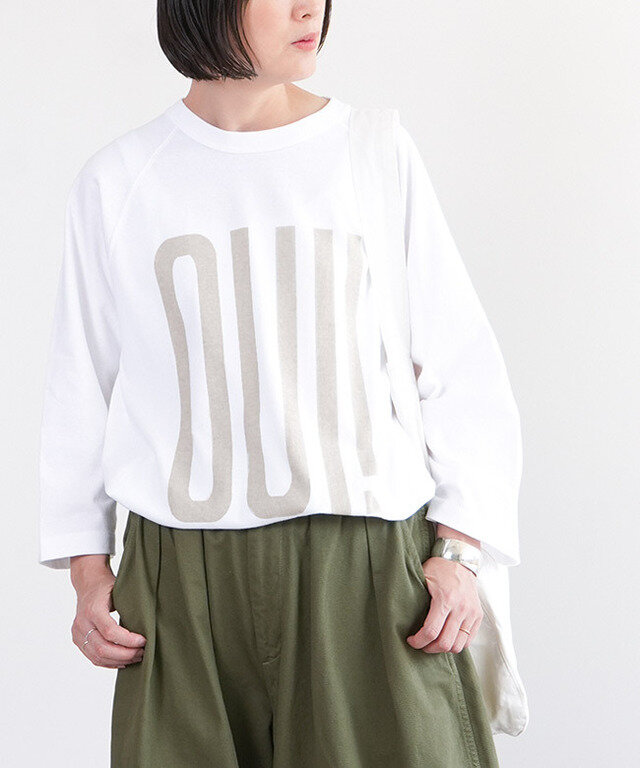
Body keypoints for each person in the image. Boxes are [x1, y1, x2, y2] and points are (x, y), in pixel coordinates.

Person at [38, 1, 524, 765]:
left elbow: (458, 362)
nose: (310, 9)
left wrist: (460, 551)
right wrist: (87, 568)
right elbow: (80, 381)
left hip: (364, 568)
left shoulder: (371, 151)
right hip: (180, 577)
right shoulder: (121, 179)